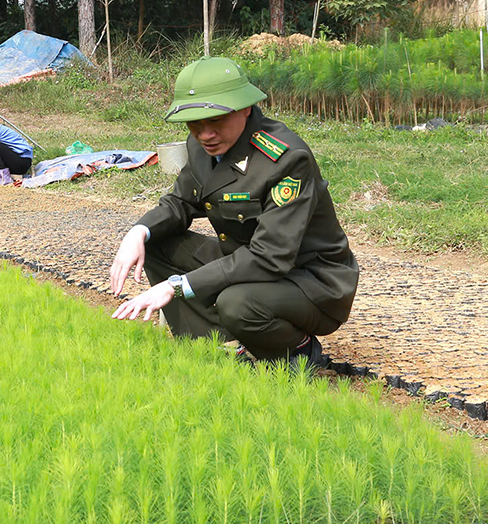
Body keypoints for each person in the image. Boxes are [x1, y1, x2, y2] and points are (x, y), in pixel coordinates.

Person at [108, 57, 358, 370]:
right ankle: (216, 347)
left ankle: (296, 353)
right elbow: (181, 202)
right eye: (195, 124)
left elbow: (270, 256)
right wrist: (138, 232)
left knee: (236, 305)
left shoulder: (285, 159)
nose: (205, 134)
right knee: (155, 242)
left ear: (244, 108)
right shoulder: (202, 144)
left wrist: (174, 286)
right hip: (250, 266)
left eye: (215, 121)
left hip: (310, 280)